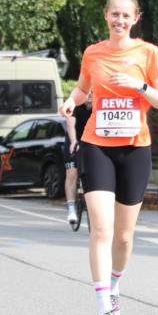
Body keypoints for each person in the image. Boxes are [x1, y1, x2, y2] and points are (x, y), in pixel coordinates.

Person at [60, 0, 158, 315]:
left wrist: (139, 86)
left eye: (126, 16)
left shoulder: (148, 53)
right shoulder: (93, 53)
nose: (120, 21)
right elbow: (82, 90)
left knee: (123, 237)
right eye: (114, 15)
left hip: (135, 149)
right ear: (105, 16)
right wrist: (70, 101)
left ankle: (114, 286)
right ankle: (104, 309)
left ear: (135, 19)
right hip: (97, 146)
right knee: (102, 230)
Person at [63, 94, 92, 225]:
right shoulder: (74, 104)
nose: (91, 95)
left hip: (91, 140)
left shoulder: (99, 106)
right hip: (74, 139)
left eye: (94, 92)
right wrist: (74, 141)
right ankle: (71, 208)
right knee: (72, 172)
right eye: (89, 93)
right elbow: (70, 126)